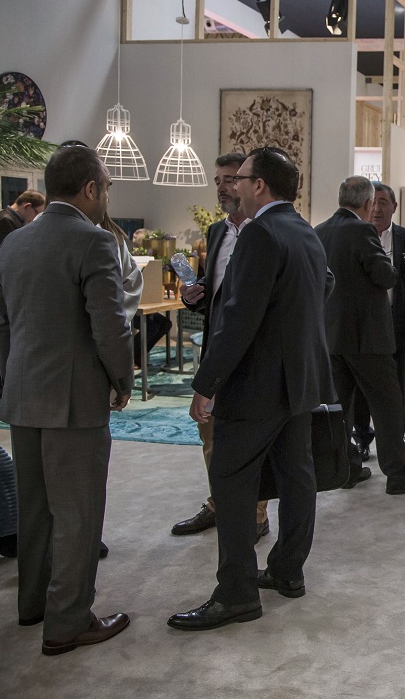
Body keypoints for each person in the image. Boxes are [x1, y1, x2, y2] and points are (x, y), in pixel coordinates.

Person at [169, 146, 331, 632]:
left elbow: (239, 318)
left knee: (231, 481)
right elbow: (318, 291)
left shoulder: (260, 232)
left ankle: (236, 594)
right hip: (297, 381)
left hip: (257, 384)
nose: (232, 186)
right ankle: (287, 570)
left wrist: (206, 384)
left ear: (259, 185)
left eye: (239, 178)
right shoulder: (303, 229)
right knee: (296, 477)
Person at [0, 145, 133, 656]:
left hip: (22, 394)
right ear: (90, 189)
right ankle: (68, 622)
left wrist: (12, 378)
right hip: (74, 400)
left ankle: (33, 605)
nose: (107, 197)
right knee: (77, 513)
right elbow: (110, 326)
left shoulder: (14, 241)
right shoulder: (93, 241)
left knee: (34, 510)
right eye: (106, 187)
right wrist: (122, 380)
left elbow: (2, 325)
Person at [314, 177, 405, 496]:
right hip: (367, 338)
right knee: (387, 406)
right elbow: (386, 275)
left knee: (339, 408)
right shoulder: (362, 230)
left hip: (332, 336)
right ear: (368, 203)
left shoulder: (319, 231)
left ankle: (348, 469)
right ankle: (398, 475)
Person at [170, 154, 269, 542]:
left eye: (230, 179)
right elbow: (214, 297)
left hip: (255, 356)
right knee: (210, 434)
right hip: (216, 351)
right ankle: (219, 503)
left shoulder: (267, 232)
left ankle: (256, 514)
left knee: (252, 440)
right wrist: (192, 296)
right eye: (218, 181)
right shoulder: (216, 233)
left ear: (250, 184)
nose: (223, 188)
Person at [352, 182, 405, 462]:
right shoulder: (355, 236)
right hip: (360, 326)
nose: (377, 208)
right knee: (361, 384)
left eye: (383, 202)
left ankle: (397, 434)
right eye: (373, 202)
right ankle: (362, 436)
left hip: (396, 324)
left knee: (396, 384)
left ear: (394, 207)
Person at [0, 189, 45, 397]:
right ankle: (7, 386)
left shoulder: (3, 219)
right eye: (36, 213)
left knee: (5, 337)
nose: (34, 219)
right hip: (3, 288)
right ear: (27, 206)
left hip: (1, 286)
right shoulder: (6, 222)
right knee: (6, 338)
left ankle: (6, 385)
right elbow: (14, 256)